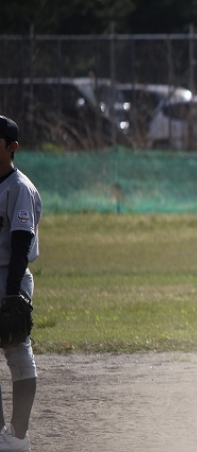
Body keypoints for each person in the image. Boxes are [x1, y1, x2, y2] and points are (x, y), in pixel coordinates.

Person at [0, 116, 42, 452]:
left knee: (17, 352)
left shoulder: (19, 188)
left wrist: (12, 293)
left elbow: (21, 244)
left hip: (9, 277)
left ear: (11, 147)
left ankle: (18, 436)